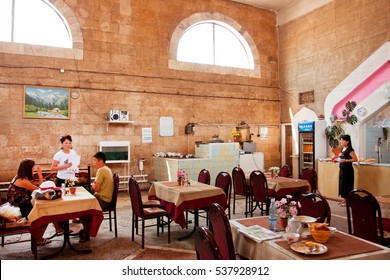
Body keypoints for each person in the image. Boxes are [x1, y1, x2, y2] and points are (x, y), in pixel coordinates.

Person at [7, 159, 61, 245]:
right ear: (28, 168)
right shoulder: (23, 181)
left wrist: (39, 178)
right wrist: (40, 174)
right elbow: (40, 189)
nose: (34, 169)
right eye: (33, 167)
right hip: (19, 208)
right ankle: (39, 238)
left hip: (19, 204)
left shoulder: (20, 176)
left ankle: (58, 227)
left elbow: (36, 185)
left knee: (46, 210)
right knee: (45, 214)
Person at [79, 151, 113, 242]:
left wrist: (94, 186)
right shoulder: (107, 169)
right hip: (106, 199)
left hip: (102, 200)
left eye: (94, 160)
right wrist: (95, 185)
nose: (93, 163)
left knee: (80, 208)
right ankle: (86, 229)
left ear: (100, 161)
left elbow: (97, 189)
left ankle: (87, 231)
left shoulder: (101, 170)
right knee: (83, 204)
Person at [337, 135, 358, 207]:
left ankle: (348, 201)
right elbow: (341, 157)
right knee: (342, 184)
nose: (341, 141)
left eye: (343, 140)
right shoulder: (342, 149)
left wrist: (345, 160)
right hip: (342, 169)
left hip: (348, 170)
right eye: (341, 140)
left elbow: (355, 159)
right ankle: (344, 199)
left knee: (347, 185)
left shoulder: (350, 149)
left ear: (348, 141)